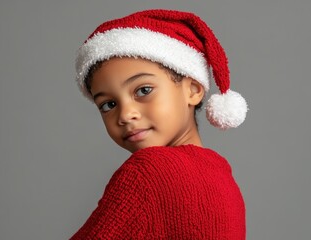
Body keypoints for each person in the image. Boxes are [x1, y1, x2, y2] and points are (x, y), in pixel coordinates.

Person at [71, 9, 248, 239]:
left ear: (193, 90)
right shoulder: (223, 176)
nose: (125, 114)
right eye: (108, 104)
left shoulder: (146, 172)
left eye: (143, 90)